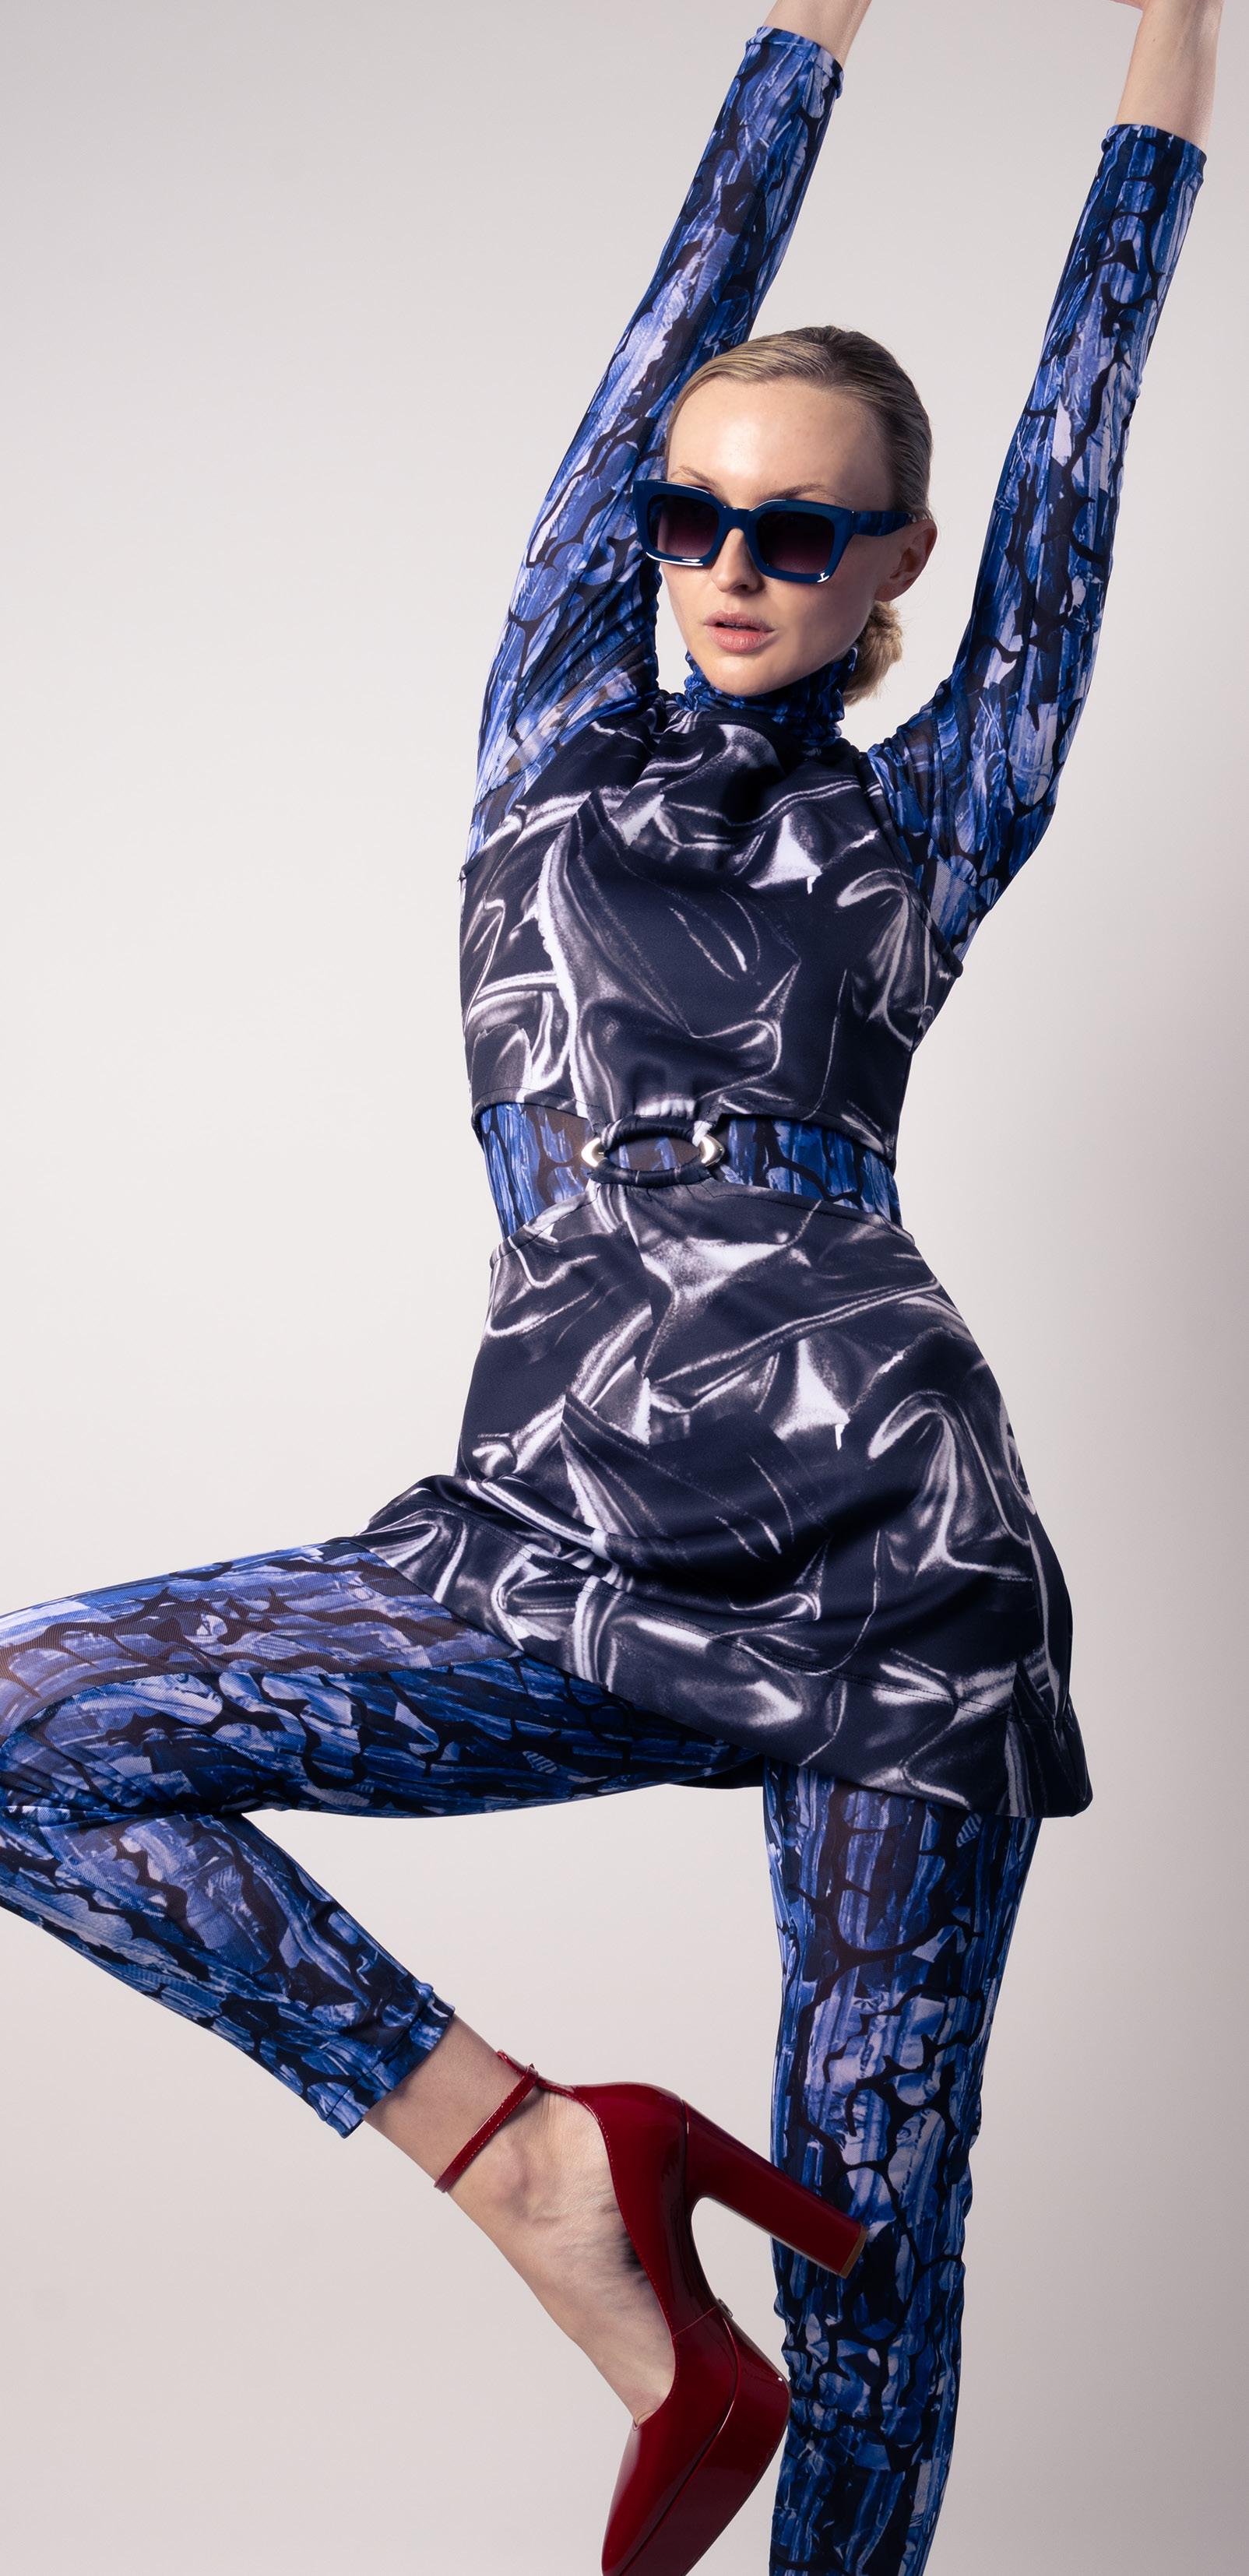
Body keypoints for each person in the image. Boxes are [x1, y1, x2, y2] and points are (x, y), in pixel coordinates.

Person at [0, 2, 1221, 2569]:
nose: (731, 570)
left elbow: (1076, 454)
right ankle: (538, 2160)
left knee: (875, 2250)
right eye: (692, 517)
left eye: (800, 533)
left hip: (896, 1558)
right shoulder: (551, 727)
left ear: (893, 569)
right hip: (554, 1524)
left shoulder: (938, 810)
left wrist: (1169, 50)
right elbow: (686, 286)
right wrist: (808, 38)